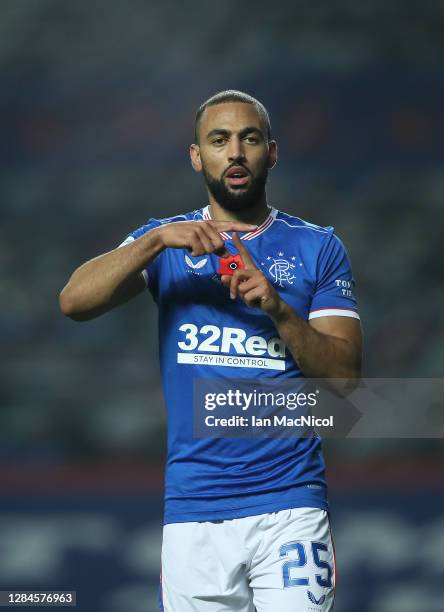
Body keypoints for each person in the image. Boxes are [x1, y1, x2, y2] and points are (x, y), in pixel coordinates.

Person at [59, 90, 362, 611]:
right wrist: (153, 243)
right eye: (219, 140)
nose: (236, 152)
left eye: (249, 138)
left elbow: (345, 377)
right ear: (197, 156)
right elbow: (73, 302)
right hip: (194, 512)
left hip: (289, 504)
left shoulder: (318, 247)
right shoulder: (167, 242)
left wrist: (277, 307)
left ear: (272, 150)